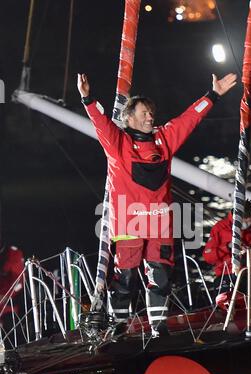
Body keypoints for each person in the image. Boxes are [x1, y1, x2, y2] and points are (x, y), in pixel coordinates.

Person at [77, 72, 237, 337]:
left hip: (160, 223)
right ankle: (118, 329)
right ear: (129, 118)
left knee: (161, 277)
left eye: (151, 112)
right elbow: (101, 122)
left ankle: (158, 331)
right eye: (144, 113)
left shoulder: (165, 139)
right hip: (129, 222)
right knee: (126, 280)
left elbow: (190, 118)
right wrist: (87, 98)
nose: (150, 116)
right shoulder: (119, 143)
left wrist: (213, 95)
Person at [203, 200, 251, 298]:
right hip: (226, 274)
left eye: (248, 220)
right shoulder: (220, 228)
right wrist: (228, 247)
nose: (246, 223)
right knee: (224, 300)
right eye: (243, 219)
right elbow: (208, 257)